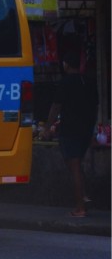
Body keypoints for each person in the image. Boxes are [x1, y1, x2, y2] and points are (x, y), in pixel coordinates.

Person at [43, 50, 98, 217]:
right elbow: (95, 106)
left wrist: (47, 127)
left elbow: (56, 106)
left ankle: (80, 207)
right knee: (77, 165)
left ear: (65, 65)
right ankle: (84, 197)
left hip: (70, 130)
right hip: (85, 130)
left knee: (74, 168)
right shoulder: (87, 81)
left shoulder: (65, 83)